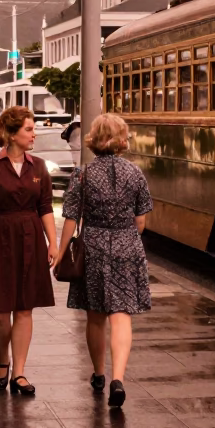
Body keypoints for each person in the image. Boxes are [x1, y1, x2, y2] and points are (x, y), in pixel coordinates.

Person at [54, 113, 152, 409]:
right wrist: (125, 237)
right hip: (126, 246)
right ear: (121, 140)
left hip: (93, 246)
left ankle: (99, 374)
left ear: (94, 139)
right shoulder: (135, 173)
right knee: (121, 315)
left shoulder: (82, 174)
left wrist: (60, 253)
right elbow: (141, 221)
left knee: (95, 316)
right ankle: (118, 379)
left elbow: (71, 217)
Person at [0, 107, 58, 397]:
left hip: (30, 237)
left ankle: (19, 372)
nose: (34, 134)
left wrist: (53, 243)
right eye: (29, 129)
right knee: (0, 311)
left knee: (25, 307)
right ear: (12, 134)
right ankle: (2, 360)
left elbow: (45, 207)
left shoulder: (38, 166)